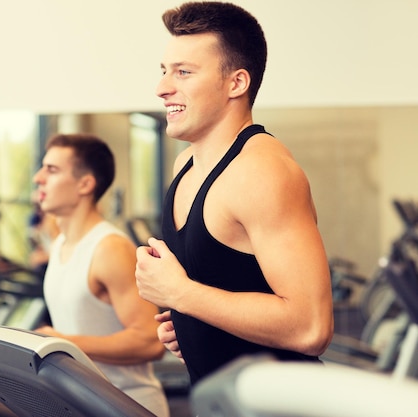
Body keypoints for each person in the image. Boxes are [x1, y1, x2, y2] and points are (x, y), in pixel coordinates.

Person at [134, 1, 334, 387]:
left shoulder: (261, 172)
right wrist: (191, 324)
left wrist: (182, 295)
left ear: (237, 83)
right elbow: (225, 288)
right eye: (164, 71)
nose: (162, 88)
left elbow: (311, 328)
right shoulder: (186, 164)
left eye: (184, 72)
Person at [33, 133, 170, 416]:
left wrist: (60, 343)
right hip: (81, 402)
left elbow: (150, 340)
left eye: (52, 170)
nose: (38, 178)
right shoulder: (60, 243)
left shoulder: (110, 248)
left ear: (85, 183)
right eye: (43, 167)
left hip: (126, 404)